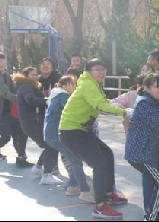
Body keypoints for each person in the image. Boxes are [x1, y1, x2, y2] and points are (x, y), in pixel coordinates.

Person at [59, 59, 127, 220]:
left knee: (107, 154)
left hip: (81, 130)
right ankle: (100, 207)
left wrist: (119, 105)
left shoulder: (93, 84)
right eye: (97, 69)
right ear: (89, 72)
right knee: (99, 163)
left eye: (103, 69)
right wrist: (124, 112)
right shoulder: (88, 84)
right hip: (72, 131)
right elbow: (99, 105)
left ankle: (108, 194)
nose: (102, 72)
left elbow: (102, 102)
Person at [125, 72, 159, 222]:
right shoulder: (144, 105)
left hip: (153, 151)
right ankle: (152, 218)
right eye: (157, 86)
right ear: (147, 88)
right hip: (141, 154)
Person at [44, 75, 93, 201]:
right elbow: (74, 110)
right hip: (56, 135)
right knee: (76, 160)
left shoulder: (55, 94)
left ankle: (73, 187)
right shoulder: (63, 95)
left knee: (74, 159)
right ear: (65, 85)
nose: (75, 87)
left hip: (51, 134)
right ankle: (84, 191)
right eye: (73, 84)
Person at [14, 67, 61, 186]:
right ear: (26, 76)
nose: (36, 76)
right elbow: (30, 100)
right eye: (33, 75)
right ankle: (46, 175)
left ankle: (38, 167)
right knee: (51, 145)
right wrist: (48, 101)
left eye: (36, 74)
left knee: (50, 145)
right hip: (32, 123)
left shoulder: (31, 86)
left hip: (35, 122)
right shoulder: (26, 86)